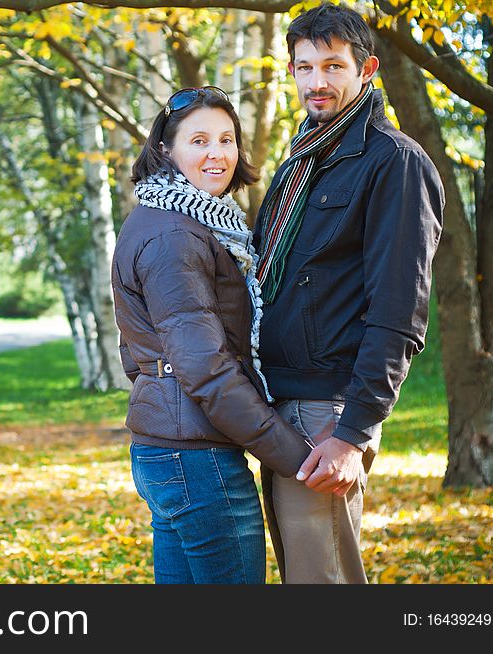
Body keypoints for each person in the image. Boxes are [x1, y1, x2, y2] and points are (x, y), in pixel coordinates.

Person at [253, 2, 444, 584]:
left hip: (328, 410)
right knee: (303, 576)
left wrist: (351, 433)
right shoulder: (303, 160)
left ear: (367, 70)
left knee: (323, 581)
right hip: (283, 401)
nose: (317, 82)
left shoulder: (394, 163)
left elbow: (398, 313)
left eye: (333, 66)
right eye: (305, 67)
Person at [111, 86, 312, 584]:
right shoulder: (176, 235)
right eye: (198, 141)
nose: (217, 154)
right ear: (166, 149)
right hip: (198, 461)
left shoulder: (169, 220)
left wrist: (160, 390)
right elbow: (205, 364)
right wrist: (295, 457)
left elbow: (136, 350)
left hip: (169, 447)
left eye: (226, 140)